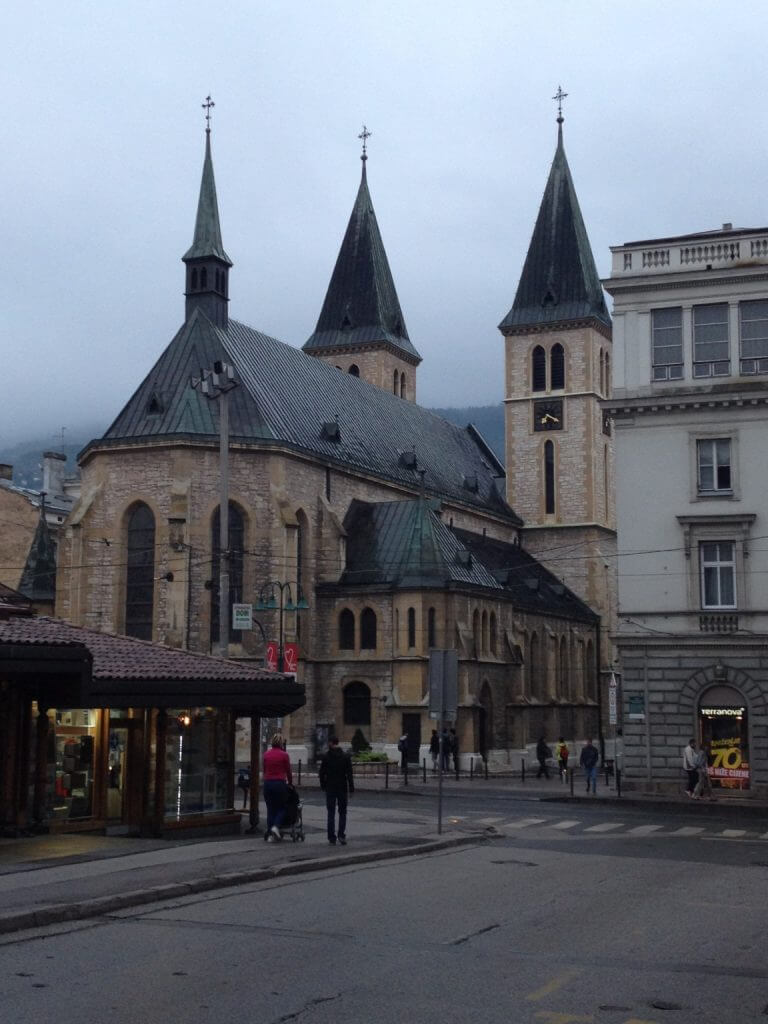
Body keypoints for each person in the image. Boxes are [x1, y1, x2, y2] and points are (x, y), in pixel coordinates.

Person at [319, 736, 354, 845]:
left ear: (331, 743)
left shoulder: (326, 757)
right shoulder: (345, 757)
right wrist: (351, 789)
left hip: (330, 787)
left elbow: (321, 773)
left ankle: (331, 837)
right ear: (338, 743)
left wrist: (323, 785)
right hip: (342, 787)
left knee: (331, 812)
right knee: (343, 812)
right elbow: (349, 774)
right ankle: (341, 835)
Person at [262, 733, 292, 841]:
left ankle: (271, 834)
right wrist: (290, 783)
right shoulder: (284, 755)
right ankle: (276, 826)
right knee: (282, 807)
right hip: (279, 783)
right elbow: (288, 771)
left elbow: (264, 770)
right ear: (281, 743)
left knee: (270, 809)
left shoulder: (266, 754)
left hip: (268, 783)